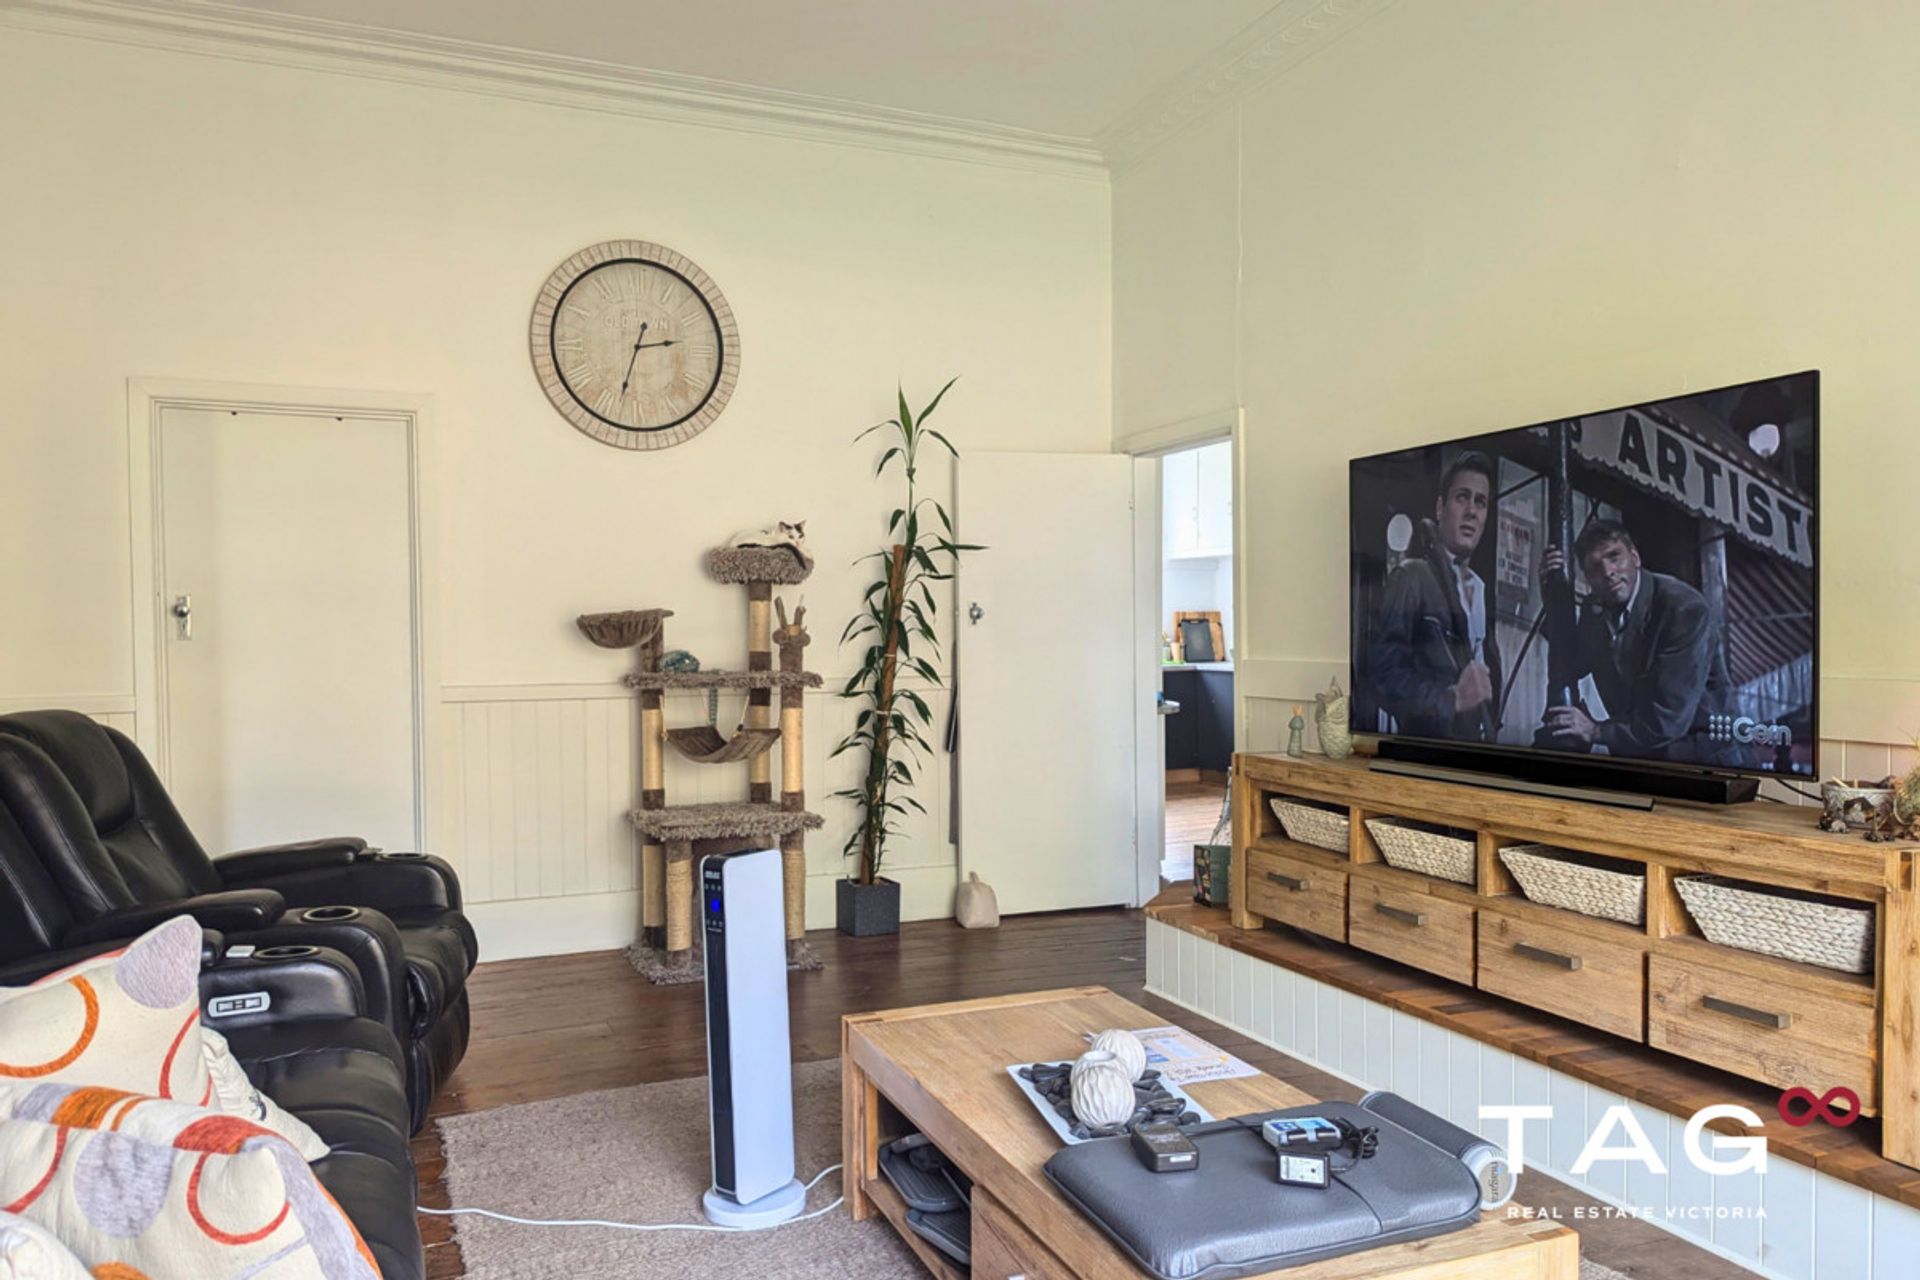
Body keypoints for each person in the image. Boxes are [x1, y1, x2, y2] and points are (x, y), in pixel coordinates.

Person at [1539, 519, 1738, 764]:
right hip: (1643, 758)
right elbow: (1574, 663)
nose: (1608, 572)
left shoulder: (1683, 609)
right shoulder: (1596, 609)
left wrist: (1594, 730)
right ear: (1588, 578)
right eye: (1595, 567)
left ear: (1635, 558)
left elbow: (1665, 721)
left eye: (1614, 557)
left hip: (1702, 761)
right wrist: (1553, 598)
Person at [1370, 451, 1503, 742]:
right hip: (1426, 752)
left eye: (1480, 502)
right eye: (1462, 497)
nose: (1471, 511)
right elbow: (1382, 676)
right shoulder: (1411, 577)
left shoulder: (1481, 590)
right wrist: (1450, 700)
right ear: (1441, 508)